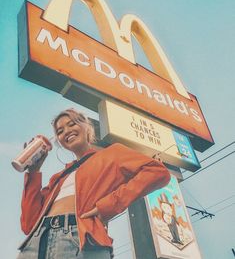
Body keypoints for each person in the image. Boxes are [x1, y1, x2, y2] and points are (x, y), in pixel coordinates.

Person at [17, 108, 170, 259]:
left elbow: (157, 172)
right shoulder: (58, 177)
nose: (66, 131)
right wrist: (33, 173)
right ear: (59, 141)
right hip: (35, 243)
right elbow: (29, 224)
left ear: (86, 126)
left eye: (72, 124)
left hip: (80, 239)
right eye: (60, 131)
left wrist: (110, 204)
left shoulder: (112, 153)